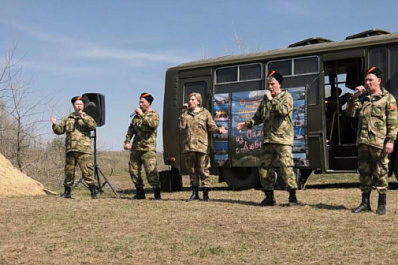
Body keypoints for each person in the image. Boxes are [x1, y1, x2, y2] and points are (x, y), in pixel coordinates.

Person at [237, 70, 298, 206]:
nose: (270, 87)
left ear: (279, 84)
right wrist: (247, 124)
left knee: (286, 167)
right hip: (268, 140)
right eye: (268, 84)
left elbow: (283, 111)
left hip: (283, 140)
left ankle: (292, 197)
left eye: (273, 84)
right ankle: (269, 197)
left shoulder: (286, 97)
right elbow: (258, 116)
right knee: (264, 168)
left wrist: (271, 99)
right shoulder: (265, 100)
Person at [346, 66, 398, 215]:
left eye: (370, 80)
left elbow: (393, 123)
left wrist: (390, 141)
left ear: (379, 81)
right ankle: (365, 202)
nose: (367, 83)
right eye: (366, 80)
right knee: (364, 172)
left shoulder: (387, 99)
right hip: (363, 142)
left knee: (380, 172)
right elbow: (350, 113)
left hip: (379, 142)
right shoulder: (363, 99)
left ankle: (382, 203)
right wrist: (355, 96)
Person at [179, 92, 226, 201]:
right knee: (192, 170)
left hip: (202, 146)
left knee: (204, 170)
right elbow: (181, 127)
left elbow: (211, 126)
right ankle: (194, 193)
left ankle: (205, 194)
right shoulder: (186, 114)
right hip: (189, 147)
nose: (190, 101)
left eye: (192, 99)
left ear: (198, 101)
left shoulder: (205, 113)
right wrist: (183, 112)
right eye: (189, 99)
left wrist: (219, 130)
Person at [51, 96, 98, 199]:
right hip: (70, 149)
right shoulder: (68, 118)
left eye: (80, 104)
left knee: (87, 172)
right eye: (77, 104)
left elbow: (92, 127)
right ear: (73, 106)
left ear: (83, 106)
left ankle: (93, 192)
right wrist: (54, 124)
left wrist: (83, 117)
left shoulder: (88, 117)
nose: (79, 106)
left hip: (83, 150)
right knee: (69, 172)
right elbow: (59, 131)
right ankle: (67, 192)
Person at [124, 92, 161, 200]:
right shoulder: (135, 117)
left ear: (148, 103)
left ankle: (157, 194)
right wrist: (127, 141)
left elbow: (153, 125)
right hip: (136, 148)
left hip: (148, 148)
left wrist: (141, 115)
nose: (140, 104)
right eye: (139, 102)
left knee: (151, 172)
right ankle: (140, 192)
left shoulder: (154, 114)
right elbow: (130, 130)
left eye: (142, 102)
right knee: (133, 170)